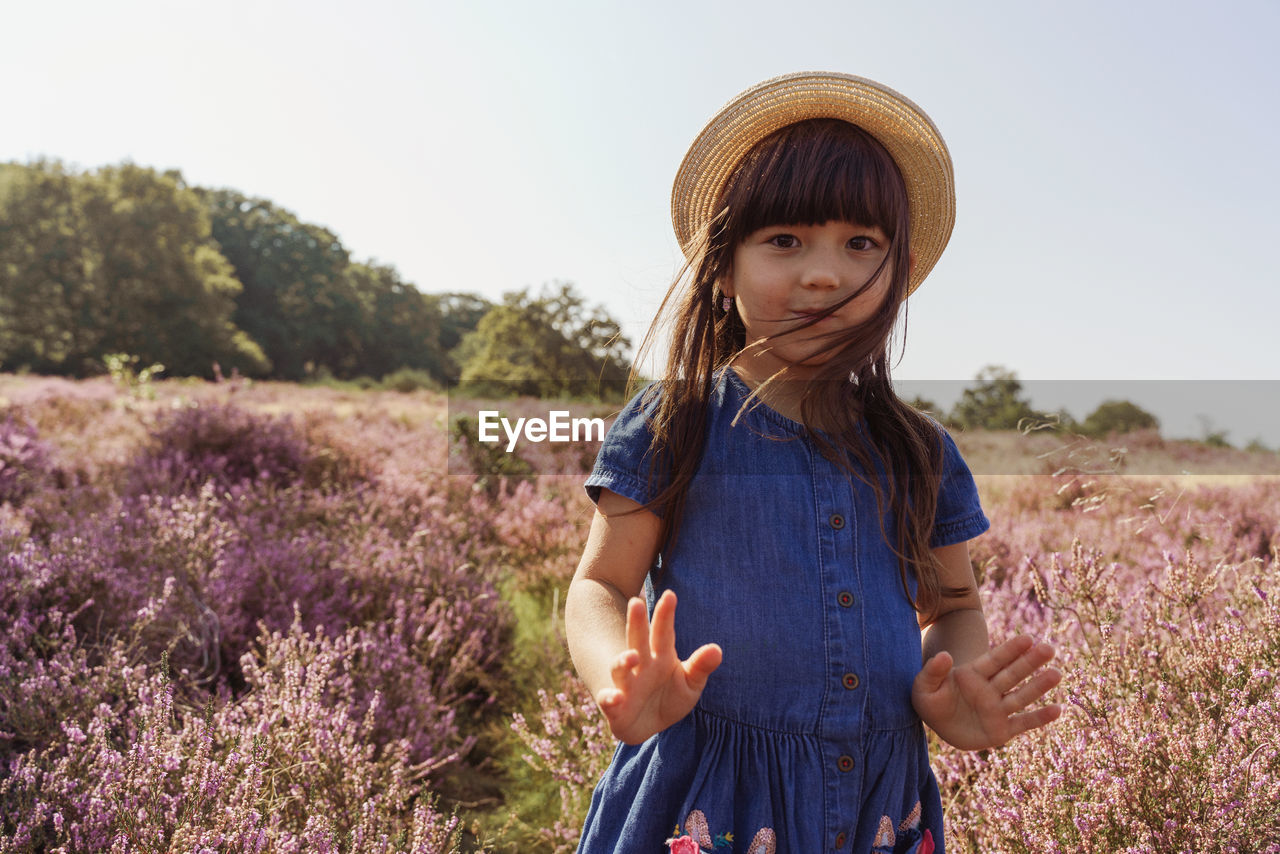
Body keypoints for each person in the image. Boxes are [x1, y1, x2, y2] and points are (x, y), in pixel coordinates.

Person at [565, 72, 1062, 854]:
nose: (824, 273)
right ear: (723, 271)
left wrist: (956, 686)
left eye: (860, 244)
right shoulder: (679, 422)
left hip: (876, 804)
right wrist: (618, 674)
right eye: (785, 241)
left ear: (894, 274)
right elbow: (600, 584)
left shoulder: (920, 451)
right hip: (705, 797)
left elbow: (954, 607)